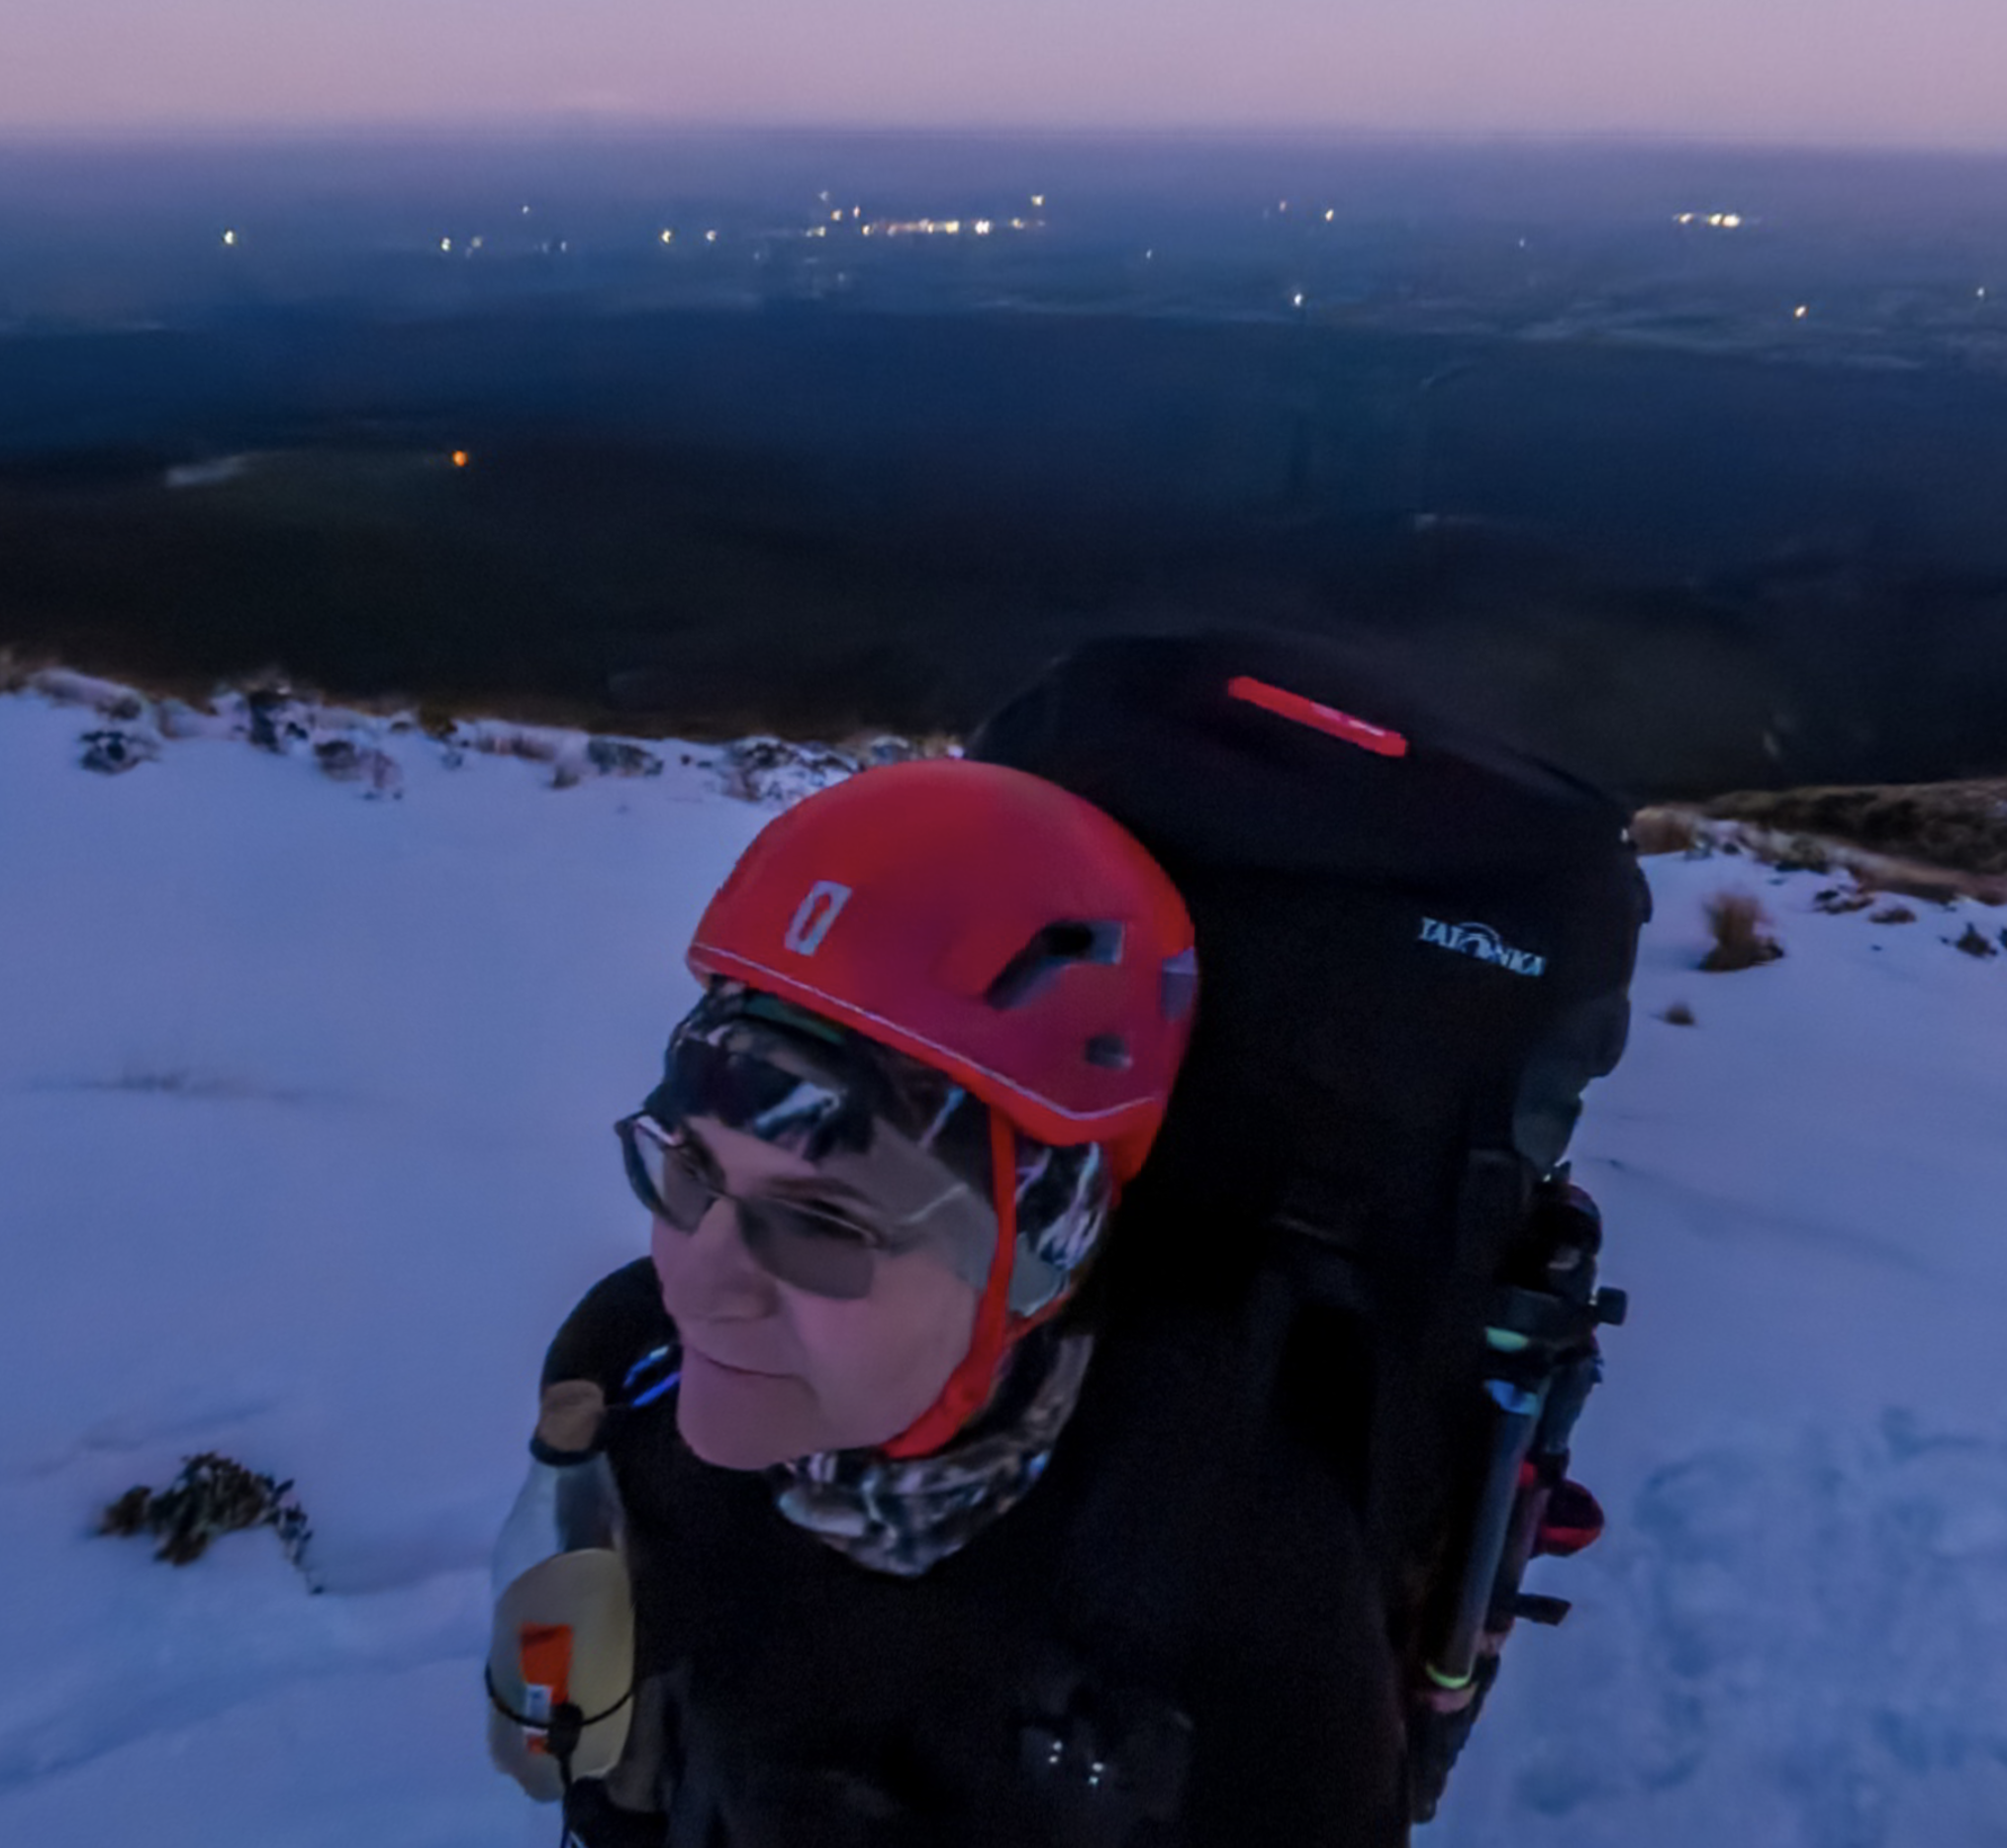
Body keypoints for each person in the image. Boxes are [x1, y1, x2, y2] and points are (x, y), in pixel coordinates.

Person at [486, 753, 1411, 1848]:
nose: (703, 1280)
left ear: (1039, 1253)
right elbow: (574, 1748)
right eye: (689, 1170)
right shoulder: (631, 1369)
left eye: (826, 1223)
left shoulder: (1227, 1549)